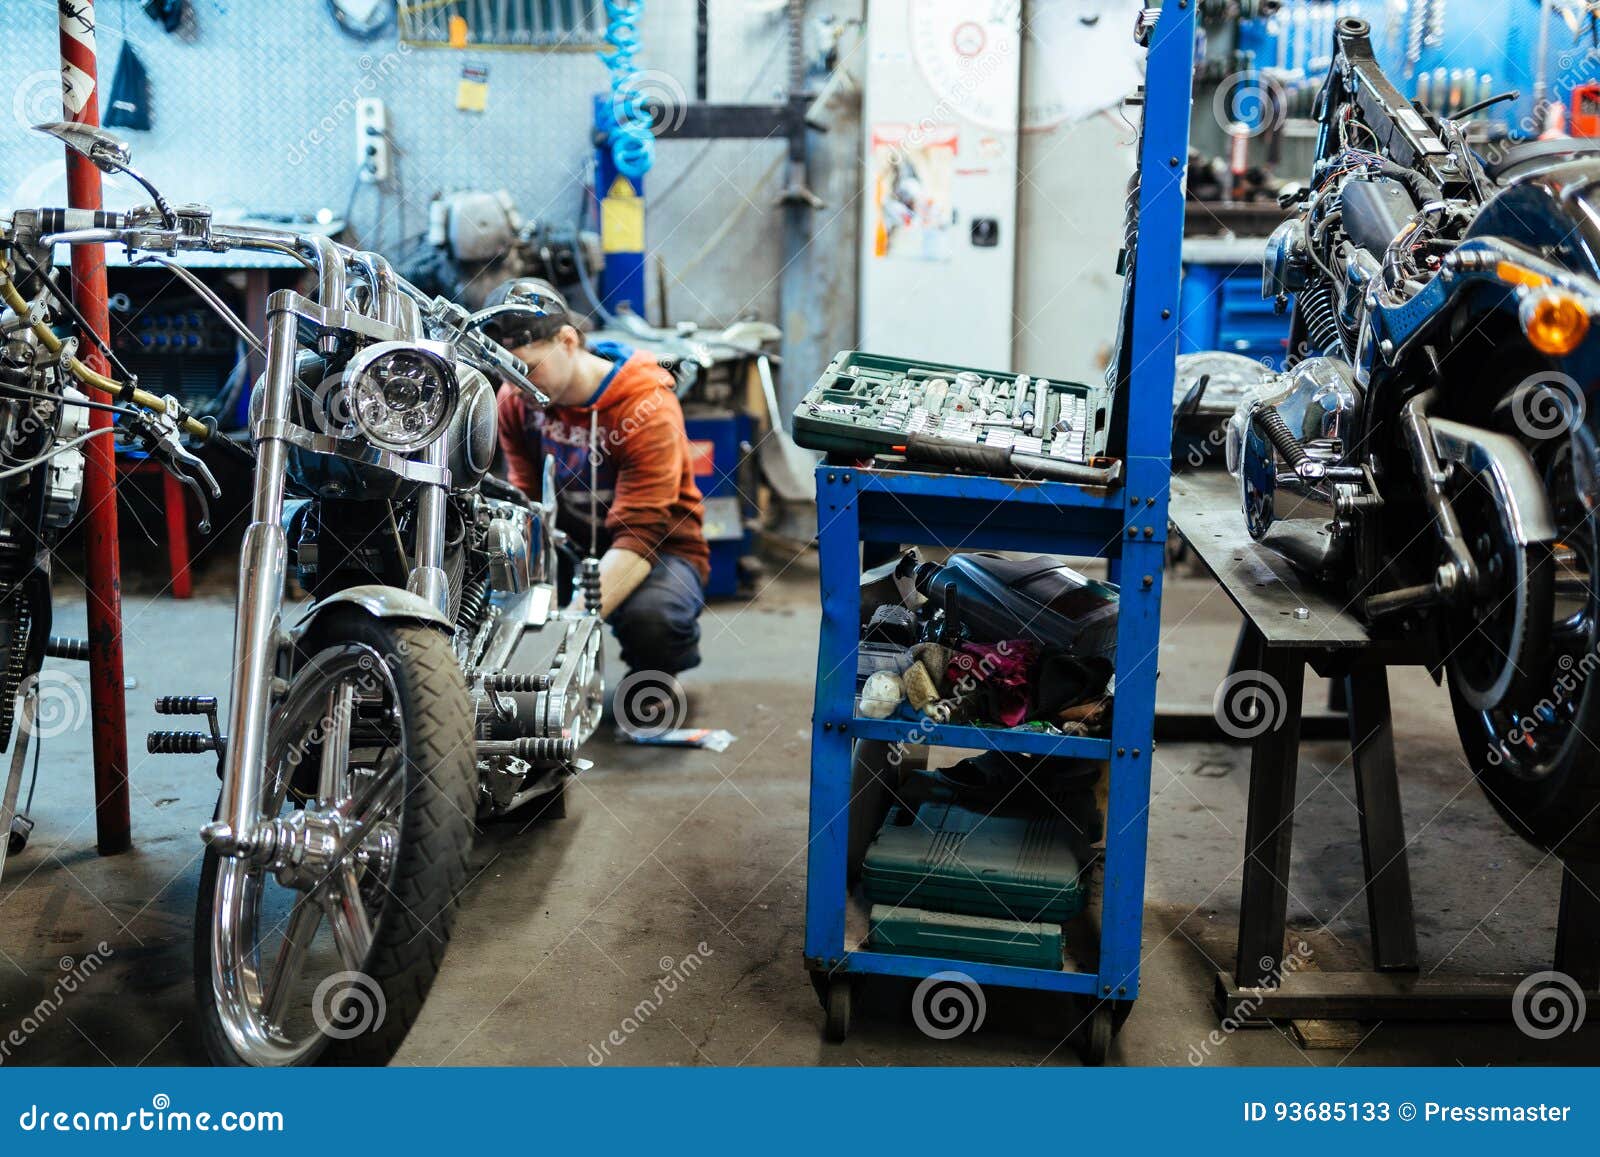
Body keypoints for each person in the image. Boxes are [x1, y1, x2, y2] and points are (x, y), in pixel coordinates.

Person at [469, 279, 709, 681]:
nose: (515, 386)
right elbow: (526, 503)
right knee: (489, 599)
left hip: (657, 547)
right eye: (506, 373)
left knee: (654, 619)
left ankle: (653, 680)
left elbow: (641, 533)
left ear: (567, 341)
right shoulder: (516, 403)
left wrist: (568, 628)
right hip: (569, 544)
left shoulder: (647, 407)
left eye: (528, 369)